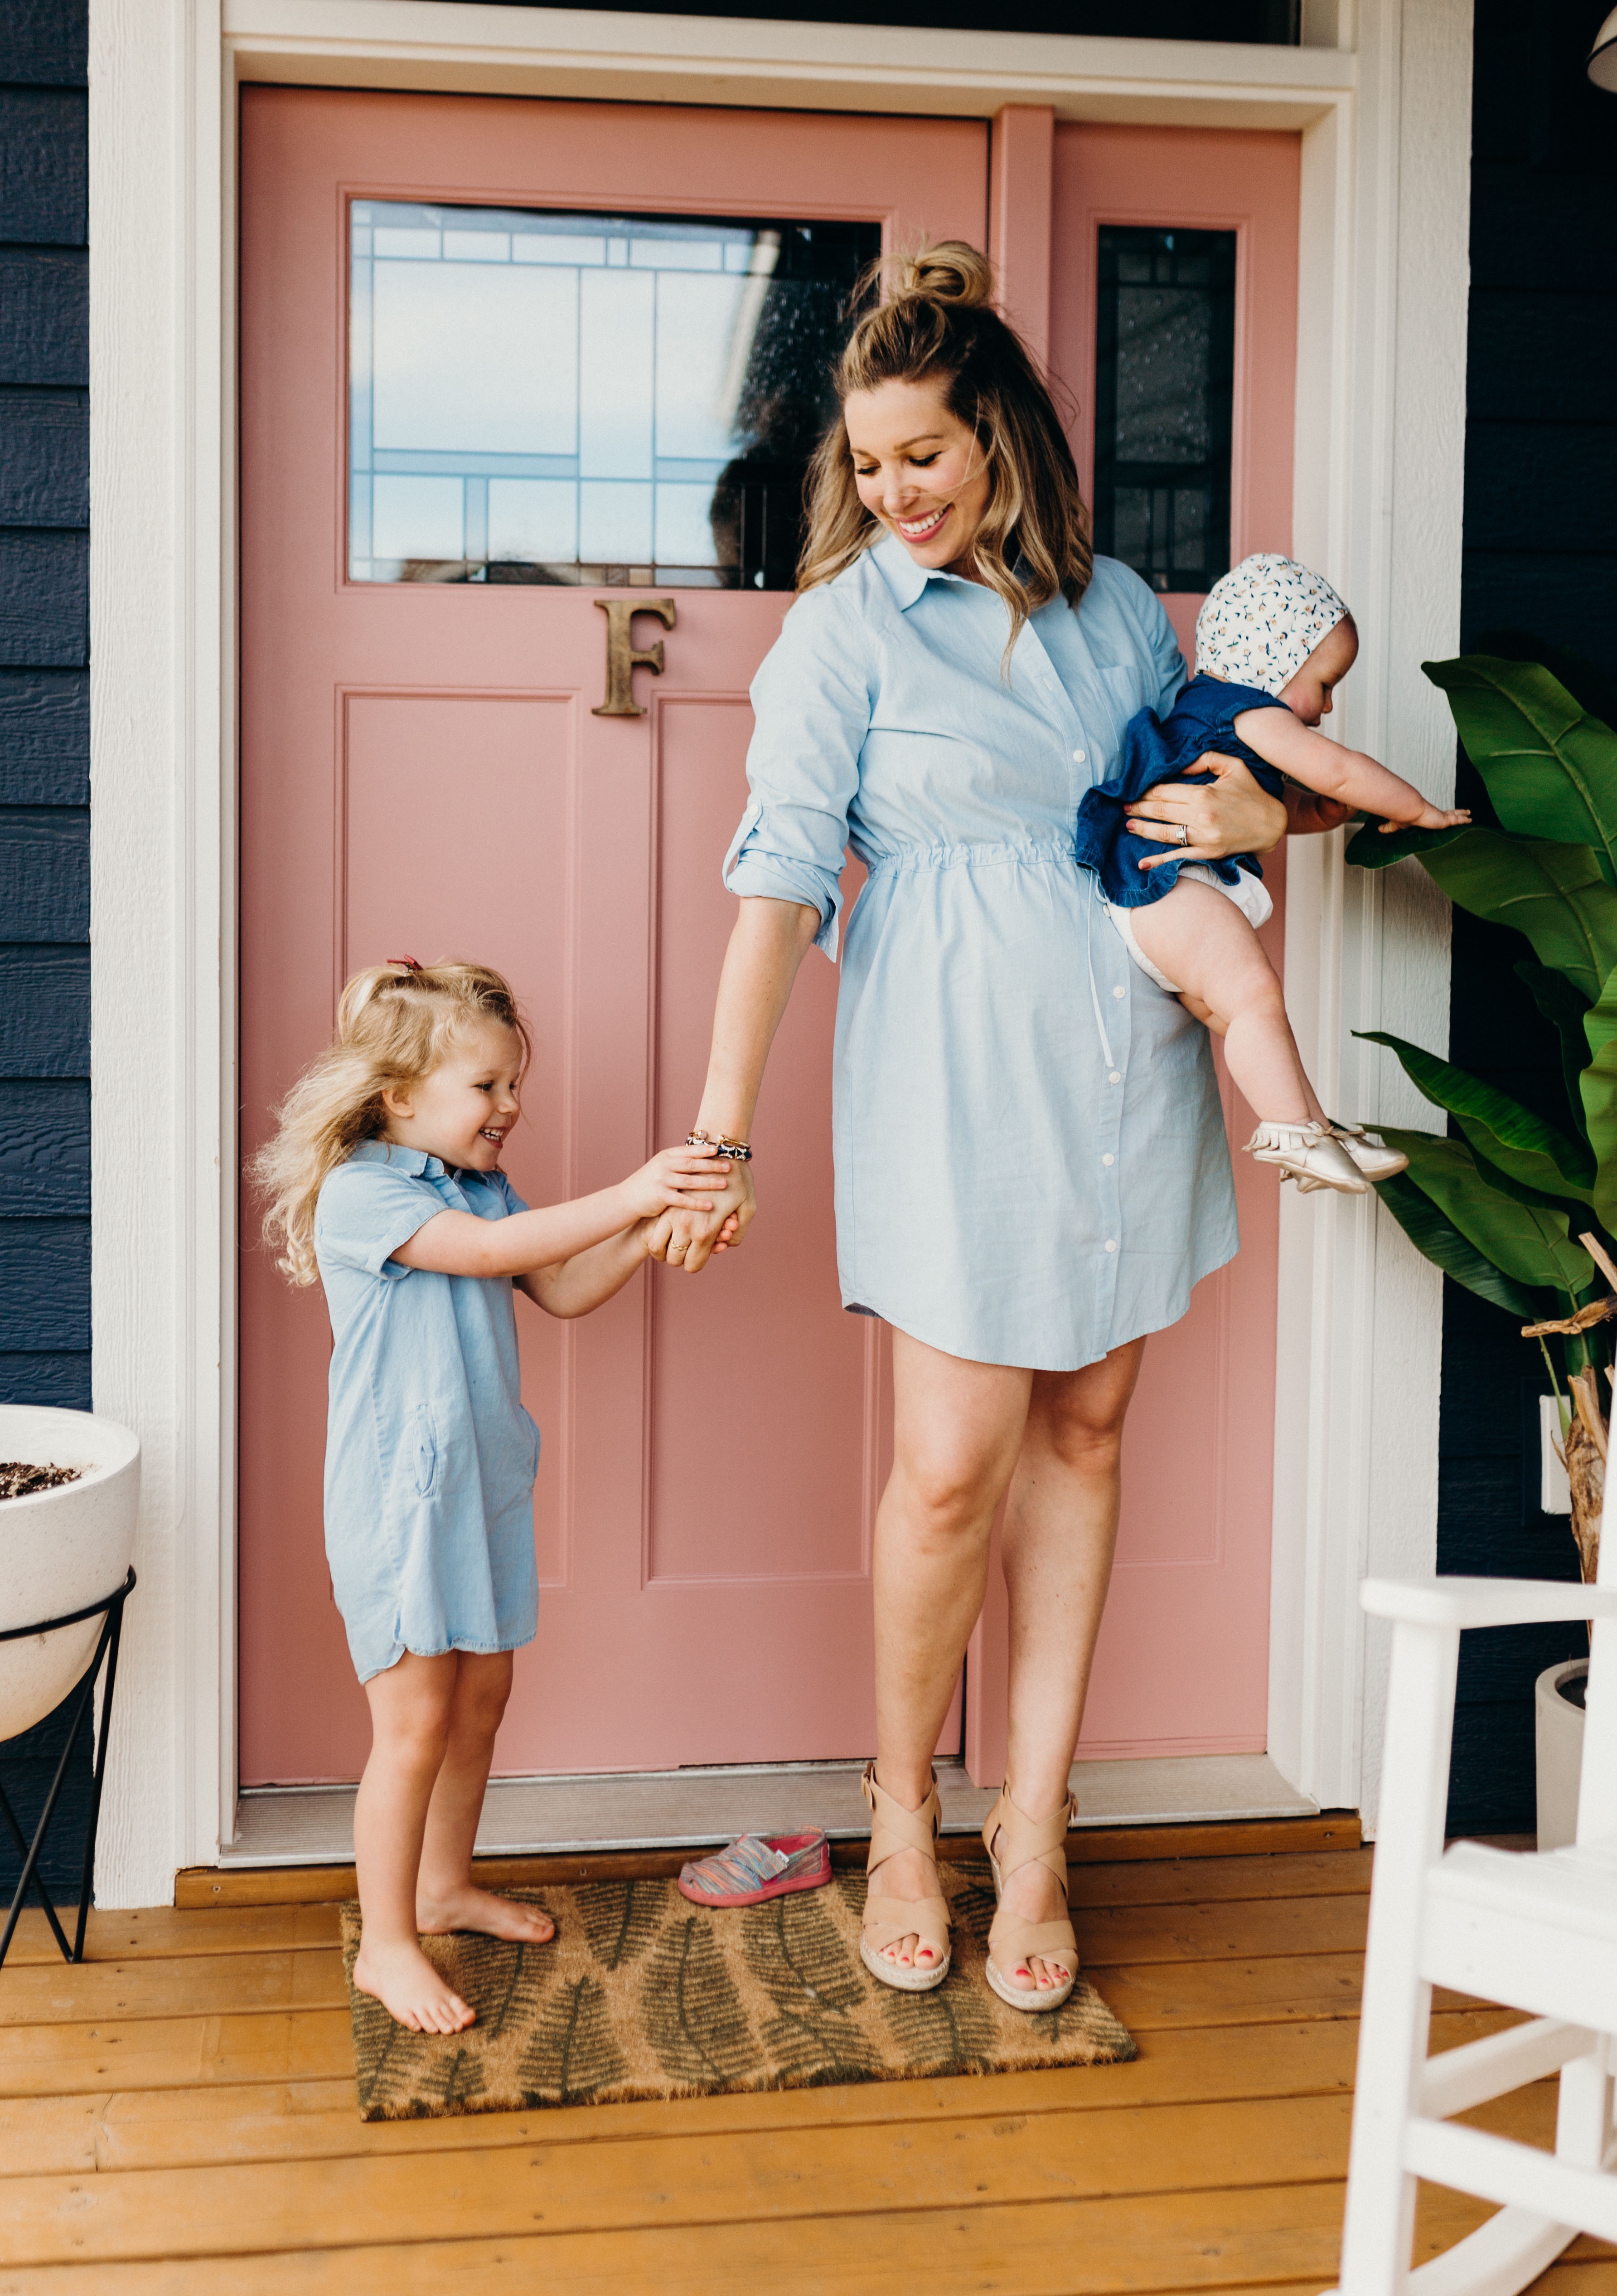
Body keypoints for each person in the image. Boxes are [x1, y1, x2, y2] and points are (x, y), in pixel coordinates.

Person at [649, 242, 1350, 2014]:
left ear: (1001, 441)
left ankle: (1033, 1824)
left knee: (1089, 1439)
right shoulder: (841, 634)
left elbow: (1214, 783)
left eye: (923, 458)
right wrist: (720, 1133)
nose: (891, 493)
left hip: (1125, 1059)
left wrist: (1244, 810)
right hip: (949, 1072)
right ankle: (900, 1813)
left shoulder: (1119, 607)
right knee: (951, 1462)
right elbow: (778, 888)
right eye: (867, 464)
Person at [252, 958, 735, 2034]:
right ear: (398, 1095)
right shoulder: (366, 1193)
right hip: (401, 1497)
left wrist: (652, 1233)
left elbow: (557, 1285)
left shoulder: (476, 1185)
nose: (511, 1107)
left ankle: (442, 1886)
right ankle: (387, 1943)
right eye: (488, 1088)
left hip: (479, 1481)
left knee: (479, 1702)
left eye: (514, 1086)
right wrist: (635, 1190)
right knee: (414, 1720)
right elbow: (487, 1255)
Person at [1073, 553, 1466, 1194]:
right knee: (1258, 999)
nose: (1328, 707)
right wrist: (1416, 808)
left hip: (1159, 901)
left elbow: (1286, 809)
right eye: (1327, 683)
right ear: (1278, 663)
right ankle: (1292, 1131)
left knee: (1248, 1019)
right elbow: (1338, 767)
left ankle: (1315, 1127)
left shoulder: (1218, 718)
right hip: (1172, 892)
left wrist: (1323, 814)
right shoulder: (1250, 712)